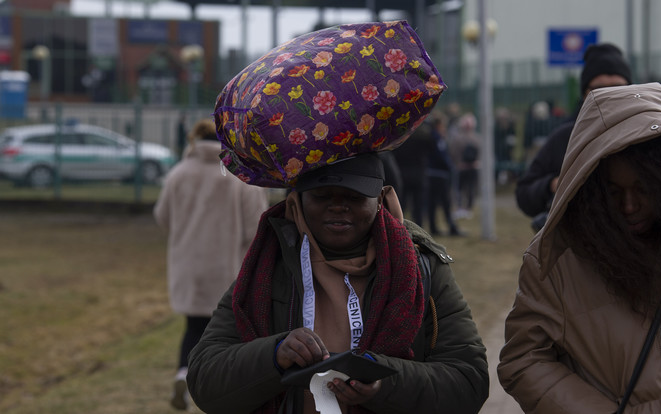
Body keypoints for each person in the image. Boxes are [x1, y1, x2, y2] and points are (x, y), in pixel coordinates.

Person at [185, 21, 489, 414]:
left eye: (353, 197)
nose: (337, 207)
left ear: (380, 201)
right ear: (296, 203)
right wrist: (275, 354)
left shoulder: (422, 266)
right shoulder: (271, 261)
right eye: (322, 197)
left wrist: (383, 383)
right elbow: (206, 380)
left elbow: (469, 381)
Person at [498, 83, 661, 413]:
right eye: (613, 193)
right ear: (589, 189)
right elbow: (523, 360)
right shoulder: (557, 264)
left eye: (644, 190)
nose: (629, 205)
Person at [153, 118, 269, 410]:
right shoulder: (239, 176)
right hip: (229, 265)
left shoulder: (178, 174)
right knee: (228, 332)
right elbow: (255, 226)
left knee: (193, 326)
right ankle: (223, 388)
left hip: (189, 264)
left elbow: (162, 216)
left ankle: (183, 372)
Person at [515, 42, 632, 231]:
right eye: (600, 90)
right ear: (585, 93)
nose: (610, 96)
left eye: (617, 88)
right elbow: (524, 194)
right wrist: (554, 185)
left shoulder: (648, 136)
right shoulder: (564, 138)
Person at [426, 114, 461, 236]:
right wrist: (449, 166)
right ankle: (451, 226)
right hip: (439, 174)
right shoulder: (437, 138)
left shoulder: (432, 137)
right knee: (445, 202)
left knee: (433, 203)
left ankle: (433, 227)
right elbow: (441, 156)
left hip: (432, 173)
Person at [448, 112, 480, 220]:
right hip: (473, 167)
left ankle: (460, 208)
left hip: (460, 167)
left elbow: (452, 153)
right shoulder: (477, 138)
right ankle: (468, 209)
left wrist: (457, 163)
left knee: (459, 188)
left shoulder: (457, 139)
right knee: (471, 189)